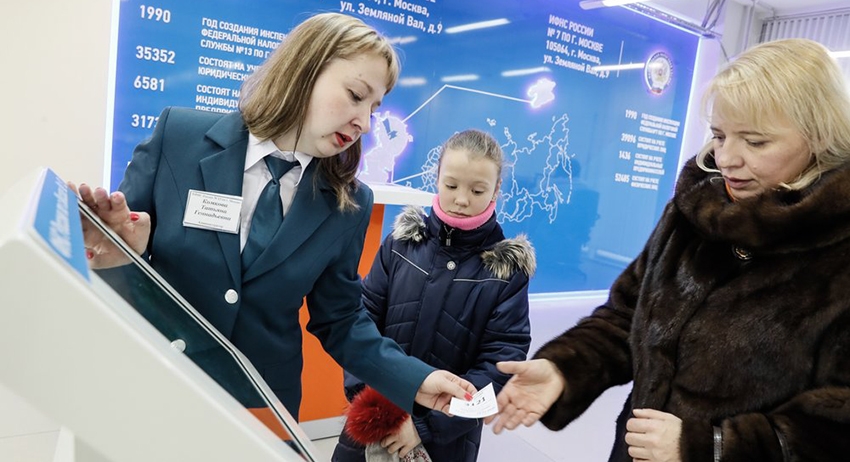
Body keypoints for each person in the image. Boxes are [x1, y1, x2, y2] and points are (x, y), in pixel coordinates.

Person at [71, 12, 475, 420]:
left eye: (374, 108)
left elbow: (341, 320)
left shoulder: (348, 203)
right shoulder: (178, 138)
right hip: (151, 380)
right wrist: (118, 257)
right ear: (304, 70)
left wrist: (416, 380)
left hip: (261, 406)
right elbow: (119, 257)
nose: (365, 124)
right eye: (356, 95)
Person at [485, 38, 850, 461]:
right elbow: (627, 316)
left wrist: (710, 448)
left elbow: (837, 421)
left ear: (819, 137)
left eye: (755, 142)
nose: (726, 158)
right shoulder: (694, 214)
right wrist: (565, 368)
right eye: (719, 135)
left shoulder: (839, 252)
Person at [333, 129, 535, 461]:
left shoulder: (506, 272)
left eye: (477, 190)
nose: (462, 200)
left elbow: (499, 365)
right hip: (374, 420)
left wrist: (423, 426)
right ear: (436, 177)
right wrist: (376, 408)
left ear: (497, 189)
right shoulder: (401, 244)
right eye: (451, 185)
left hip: (447, 441)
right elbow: (361, 322)